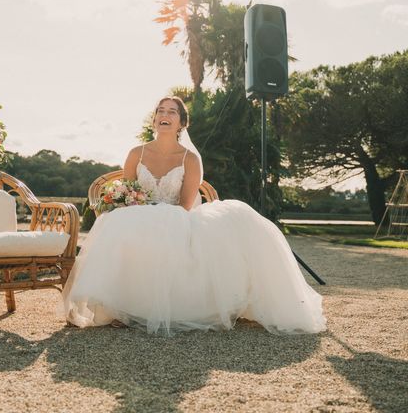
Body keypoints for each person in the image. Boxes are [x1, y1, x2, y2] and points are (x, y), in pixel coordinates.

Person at [62, 96, 326, 335]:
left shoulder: (189, 158)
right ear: (155, 119)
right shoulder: (136, 153)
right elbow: (128, 191)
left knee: (220, 222)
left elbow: (186, 205)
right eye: (160, 111)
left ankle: (162, 308)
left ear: (181, 122)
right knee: (117, 223)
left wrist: (157, 217)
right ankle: (119, 308)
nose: (165, 115)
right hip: (138, 213)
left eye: (172, 112)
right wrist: (132, 204)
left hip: (177, 216)